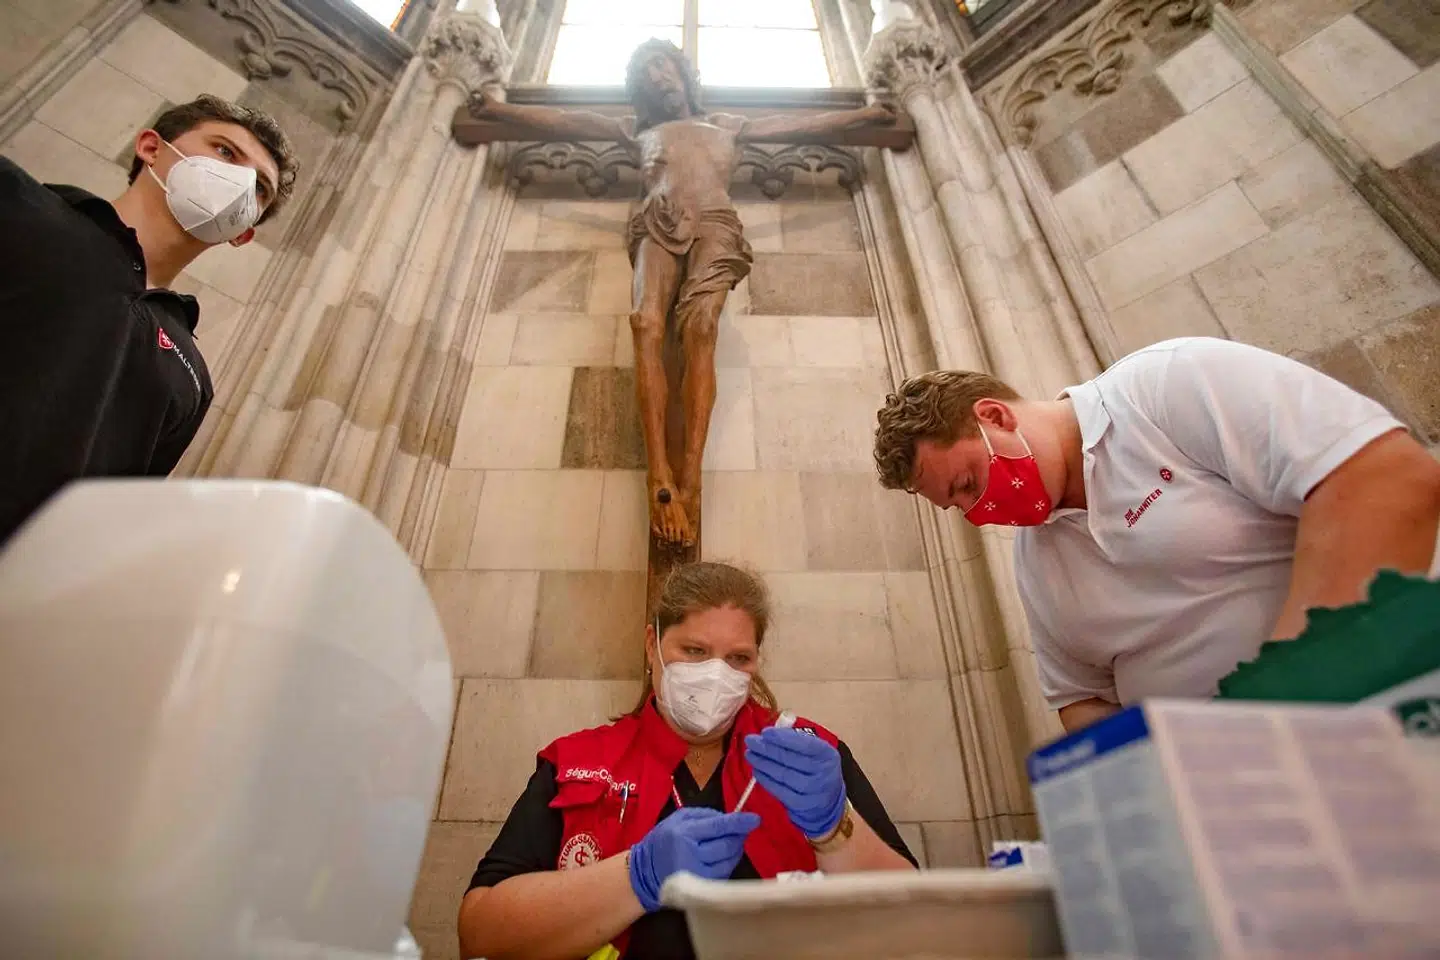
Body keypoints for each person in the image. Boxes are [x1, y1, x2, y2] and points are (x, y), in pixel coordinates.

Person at [872, 336, 1440, 733]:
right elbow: (1082, 699)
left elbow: (1383, 482)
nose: (979, 511)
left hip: (1378, 716)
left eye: (969, 482)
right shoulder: (1036, 562)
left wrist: (1288, 692)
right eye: (958, 507)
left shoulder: (1167, 385)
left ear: (995, 416)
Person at [469, 40, 896, 547]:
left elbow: (798, 124)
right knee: (645, 324)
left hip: (715, 223)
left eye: (663, 66)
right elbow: (565, 121)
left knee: (701, 326)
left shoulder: (728, 125)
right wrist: (496, 110)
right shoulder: (638, 130)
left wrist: (869, 114)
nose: (657, 77)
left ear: (682, 73)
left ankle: (690, 474)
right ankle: (660, 475)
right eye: (646, 73)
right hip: (657, 221)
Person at [457, 561, 916, 960]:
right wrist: (635, 876)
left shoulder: (809, 754)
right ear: (651, 645)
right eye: (694, 651)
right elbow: (480, 934)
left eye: (738, 658)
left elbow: (914, 920)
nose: (715, 675)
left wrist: (835, 829)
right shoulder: (577, 761)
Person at [0, 94, 297, 543]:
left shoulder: (190, 377)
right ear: (151, 148)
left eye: (259, 188)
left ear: (244, 232)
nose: (239, 181)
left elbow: (118, 519)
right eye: (225, 152)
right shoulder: (17, 205)